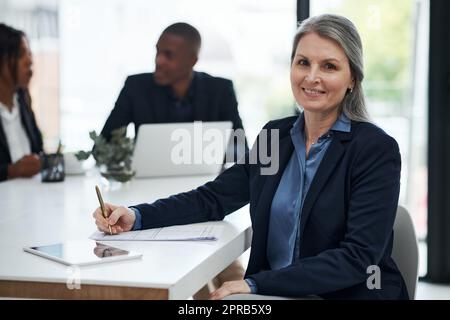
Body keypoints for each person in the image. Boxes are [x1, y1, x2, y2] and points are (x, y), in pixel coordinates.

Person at [93, 14, 408, 300]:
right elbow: (212, 199)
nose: (312, 77)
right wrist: (137, 215)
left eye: (329, 66)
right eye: (302, 63)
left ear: (352, 78)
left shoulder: (374, 150)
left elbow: (357, 258)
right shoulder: (276, 137)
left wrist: (258, 285)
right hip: (271, 295)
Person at [100, 22, 246, 158]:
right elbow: (102, 147)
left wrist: (205, 158)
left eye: (168, 55)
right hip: (148, 182)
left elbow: (241, 150)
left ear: (192, 61)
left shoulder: (220, 90)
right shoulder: (136, 87)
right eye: (158, 52)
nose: (159, 60)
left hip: (206, 181)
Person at [0, 23, 42, 182]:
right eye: (20, 55)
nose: (29, 61)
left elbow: (38, 150)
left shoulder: (23, 101)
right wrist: (11, 171)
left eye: (29, 53)